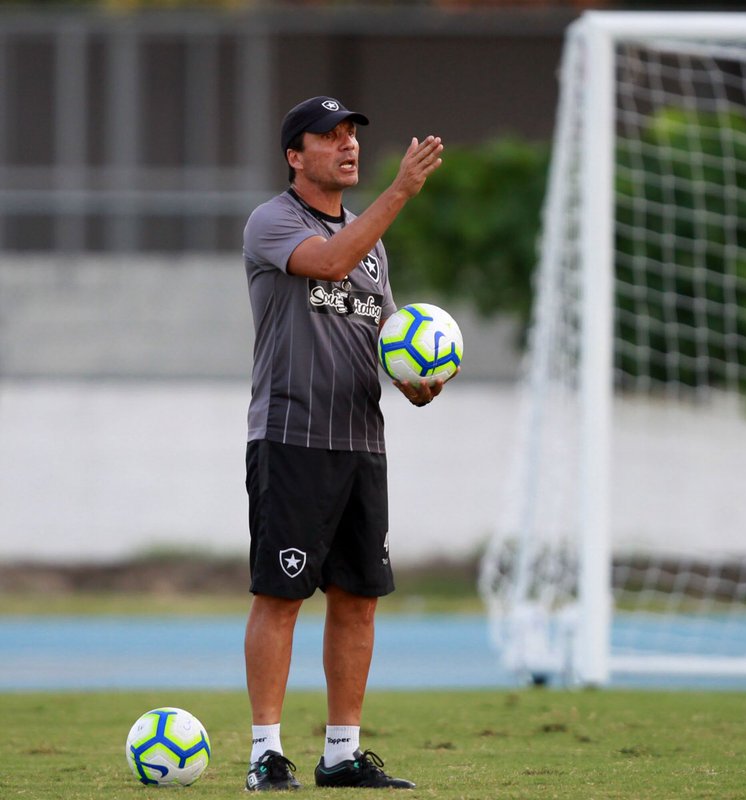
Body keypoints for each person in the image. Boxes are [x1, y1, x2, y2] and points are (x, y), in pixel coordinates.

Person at [241, 95, 444, 791]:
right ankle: (266, 753)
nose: (348, 145)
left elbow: (391, 343)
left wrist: (419, 380)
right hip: (292, 437)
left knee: (357, 598)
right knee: (281, 593)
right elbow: (327, 263)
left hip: (361, 443)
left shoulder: (371, 243)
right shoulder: (272, 223)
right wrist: (401, 191)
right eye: (329, 137)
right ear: (295, 155)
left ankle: (342, 754)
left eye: (353, 134)